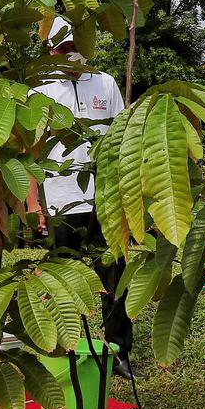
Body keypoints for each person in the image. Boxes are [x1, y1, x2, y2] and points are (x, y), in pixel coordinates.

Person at [27, 19, 132, 378]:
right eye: (61, 48)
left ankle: (119, 352)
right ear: (49, 51)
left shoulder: (106, 83)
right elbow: (31, 151)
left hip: (104, 197)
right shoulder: (39, 92)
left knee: (115, 275)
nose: (68, 54)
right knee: (62, 278)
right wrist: (32, 203)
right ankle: (65, 348)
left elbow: (121, 140)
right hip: (60, 198)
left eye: (73, 46)